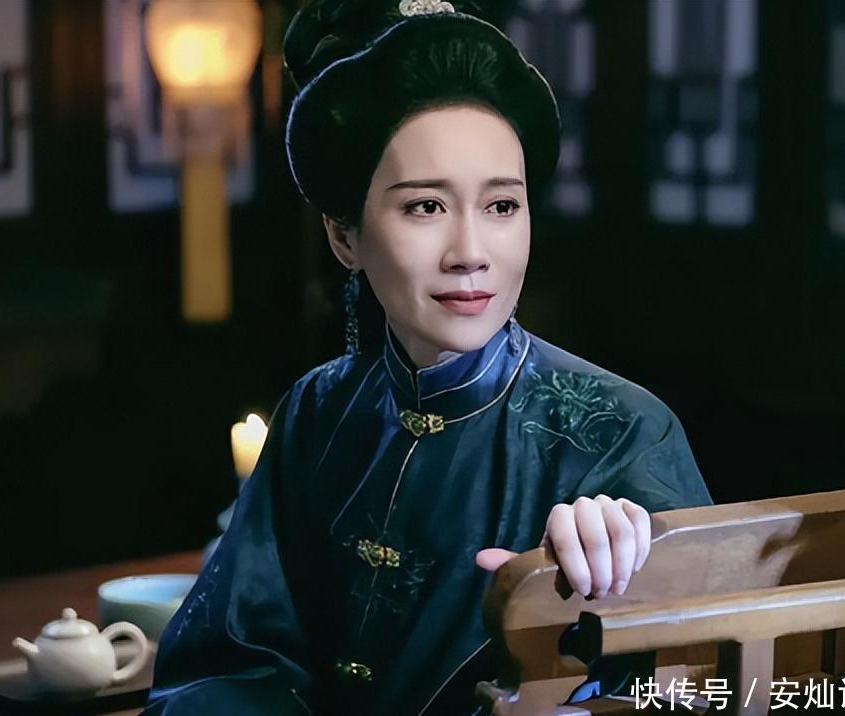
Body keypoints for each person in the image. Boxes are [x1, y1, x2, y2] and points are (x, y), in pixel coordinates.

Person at [144, 1, 712, 713]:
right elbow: (229, 659)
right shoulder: (317, 414)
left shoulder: (623, 432)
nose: (470, 253)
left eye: (501, 207)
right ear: (344, 236)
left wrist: (610, 591)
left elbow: (697, 672)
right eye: (425, 207)